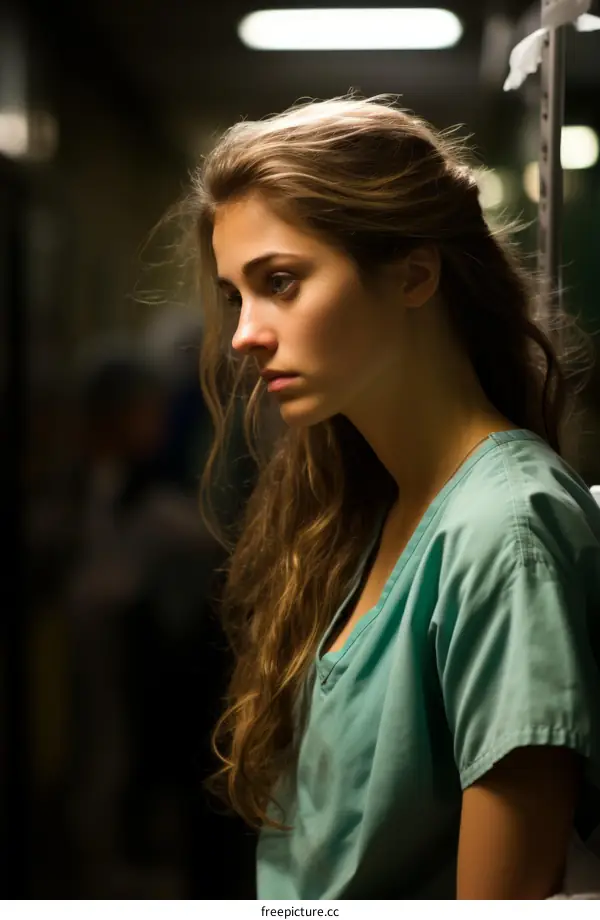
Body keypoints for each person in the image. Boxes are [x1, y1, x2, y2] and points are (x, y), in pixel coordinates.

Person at [175, 94, 600, 899]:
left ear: (413, 274)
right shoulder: (372, 505)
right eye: (238, 295)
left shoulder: (504, 530)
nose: (244, 333)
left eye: (282, 282)